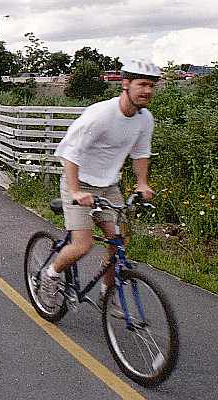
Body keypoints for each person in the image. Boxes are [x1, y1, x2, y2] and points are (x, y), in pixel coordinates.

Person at [38, 59, 161, 311]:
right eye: (142, 84)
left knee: (119, 241)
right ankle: (49, 276)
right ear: (125, 84)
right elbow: (71, 153)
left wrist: (142, 183)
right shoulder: (101, 115)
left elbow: (141, 152)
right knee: (83, 244)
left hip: (108, 185)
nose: (147, 91)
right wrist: (75, 191)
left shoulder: (145, 119)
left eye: (151, 86)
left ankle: (107, 292)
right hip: (78, 181)